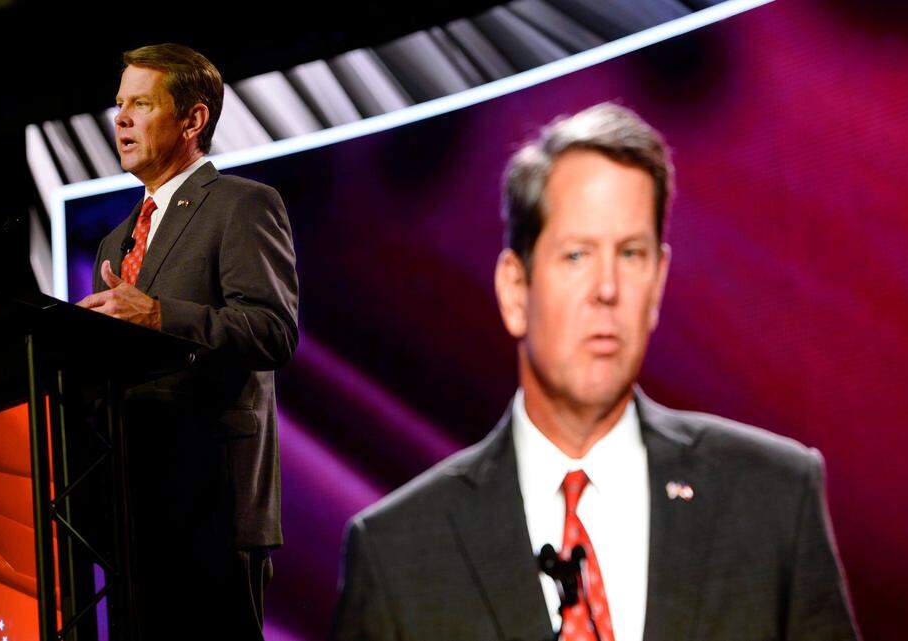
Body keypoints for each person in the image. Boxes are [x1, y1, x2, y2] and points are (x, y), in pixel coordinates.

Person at [331, 103, 858, 641]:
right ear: (516, 289)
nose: (607, 288)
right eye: (577, 255)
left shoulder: (772, 497)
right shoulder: (398, 553)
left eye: (630, 254)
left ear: (656, 282)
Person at [76, 43, 298, 639]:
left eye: (140, 104)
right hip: (131, 508)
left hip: (214, 501)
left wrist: (159, 314)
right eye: (119, 104)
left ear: (193, 120)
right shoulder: (115, 242)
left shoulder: (242, 205)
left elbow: (272, 330)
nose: (119, 119)